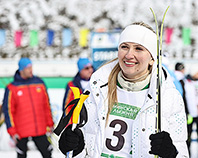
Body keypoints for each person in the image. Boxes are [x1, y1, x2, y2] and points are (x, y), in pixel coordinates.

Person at [58, 22, 189, 157]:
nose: (129, 55)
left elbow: (182, 152)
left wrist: (171, 154)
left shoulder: (168, 97)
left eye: (138, 49)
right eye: (124, 47)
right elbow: (86, 142)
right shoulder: (98, 88)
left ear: (152, 59)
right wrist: (74, 146)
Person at [2, 57, 54, 158]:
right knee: (21, 155)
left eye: (31, 67)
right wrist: (11, 129)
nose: (31, 70)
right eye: (27, 68)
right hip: (21, 131)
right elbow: (8, 110)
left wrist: (50, 123)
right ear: (21, 69)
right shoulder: (12, 88)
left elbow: (46, 105)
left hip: (40, 128)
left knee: (47, 153)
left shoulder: (39, 83)